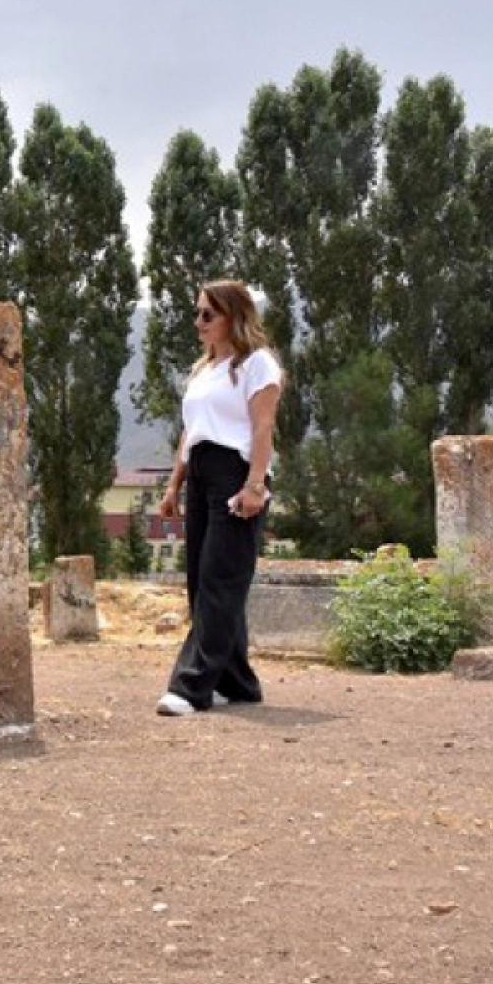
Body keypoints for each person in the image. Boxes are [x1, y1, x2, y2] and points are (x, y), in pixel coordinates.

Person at [155, 280, 285, 717]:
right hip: (201, 472)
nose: (199, 322)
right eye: (197, 313)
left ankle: (192, 686)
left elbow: (263, 427)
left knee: (219, 579)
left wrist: (255, 485)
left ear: (234, 316)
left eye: (208, 314)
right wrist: (174, 485)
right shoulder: (204, 370)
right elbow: (190, 433)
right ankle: (237, 683)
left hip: (236, 472)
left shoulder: (257, 364)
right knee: (201, 579)